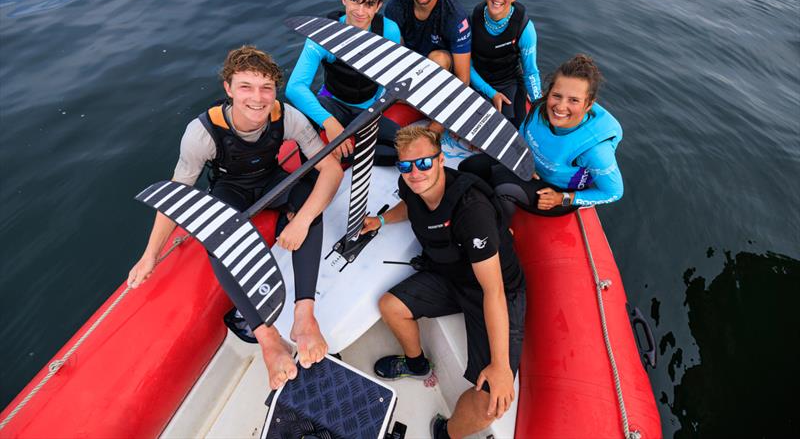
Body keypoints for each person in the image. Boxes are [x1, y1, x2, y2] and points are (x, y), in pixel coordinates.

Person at [127, 46, 344, 390]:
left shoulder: (286, 116)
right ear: (228, 89)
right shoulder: (201, 132)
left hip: (274, 181)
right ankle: (267, 337)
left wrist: (301, 220)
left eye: (266, 88)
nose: (258, 98)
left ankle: (304, 315)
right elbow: (175, 194)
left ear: (275, 90)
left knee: (308, 202)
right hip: (232, 189)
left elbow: (331, 169)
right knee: (217, 240)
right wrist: (150, 255)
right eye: (246, 87)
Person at [361, 126, 525, 439]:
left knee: (490, 401)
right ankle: (416, 363)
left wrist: (501, 366)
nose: (415, 173)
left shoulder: (472, 211)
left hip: (494, 291)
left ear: (440, 160)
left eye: (423, 163)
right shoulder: (411, 184)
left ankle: (445, 432)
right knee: (391, 306)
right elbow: (410, 205)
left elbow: (493, 291)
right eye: (406, 166)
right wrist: (380, 220)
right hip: (451, 277)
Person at [459, 54, 623, 217]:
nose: (560, 107)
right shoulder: (539, 108)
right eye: (557, 95)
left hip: (555, 192)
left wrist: (564, 198)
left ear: (588, 105)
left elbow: (613, 192)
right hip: (529, 167)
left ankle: (501, 232)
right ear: (548, 92)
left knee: (503, 185)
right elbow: (522, 137)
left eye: (573, 100)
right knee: (470, 166)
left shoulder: (596, 151)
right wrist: (522, 161)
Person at [286, 0, 402, 163]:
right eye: (354, 0)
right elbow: (294, 88)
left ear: (378, 6)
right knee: (304, 125)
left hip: (369, 108)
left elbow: (393, 74)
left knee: (403, 149)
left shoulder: (389, 31)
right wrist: (329, 123)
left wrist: (379, 104)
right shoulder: (323, 34)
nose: (359, 11)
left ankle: (347, 152)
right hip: (332, 103)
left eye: (368, 4)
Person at [469, 0, 542, 128]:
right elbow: (467, 65)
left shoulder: (525, 28)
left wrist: (538, 105)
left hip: (509, 83)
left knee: (514, 131)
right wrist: (491, 93)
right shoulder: (472, 20)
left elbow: (530, 72)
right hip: (478, 82)